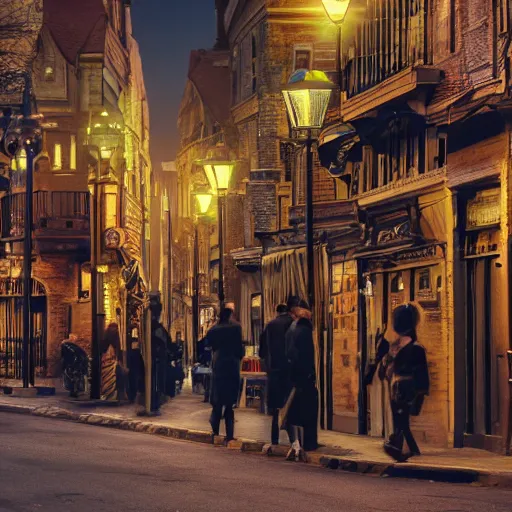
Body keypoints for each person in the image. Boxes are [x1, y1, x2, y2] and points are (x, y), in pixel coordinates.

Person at [379, 303, 430, 462]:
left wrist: (420, 393)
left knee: (402, 421)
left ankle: (404, 449)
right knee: (400, 421)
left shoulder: (416, 348)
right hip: (397, 388)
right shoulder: (395, 347)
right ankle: (407, 449)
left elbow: (421, 373)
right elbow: (384, 369)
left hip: (407, 388)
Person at [284, 297, 319, 460]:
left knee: (296, 412)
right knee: (304, 411)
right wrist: (308, 374)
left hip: (294, 377)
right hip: (303, 378)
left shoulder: (293, 328)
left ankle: (297, 444)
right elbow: (302, 355)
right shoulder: (303, 330)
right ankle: (305, 445)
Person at [207, 307, 245, 442]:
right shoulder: (236, 328)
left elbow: (208, 344)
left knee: (217, 400)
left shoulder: (214, 329)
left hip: (218, 364)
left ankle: (215, 431)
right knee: (229, 403)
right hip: (232, 365)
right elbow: (240, 349)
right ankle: (229, 434)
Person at [259, 304, 294, 447]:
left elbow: (262, 350)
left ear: (277, 312)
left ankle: (274, 439)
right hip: (290, 370)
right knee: (290, 405)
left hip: (274, 370)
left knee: (275, 409)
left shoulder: (270, 325)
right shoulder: (293, 323)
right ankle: (294, 440)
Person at [100, 323, 127, 401]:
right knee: (116, 377)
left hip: (106, 360)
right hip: (113, 360)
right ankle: (115, 396)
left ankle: (107, 395)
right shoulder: (116, 336)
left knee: (107, 378)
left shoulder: (105, 335)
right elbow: (118, 348)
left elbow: (102, 348)